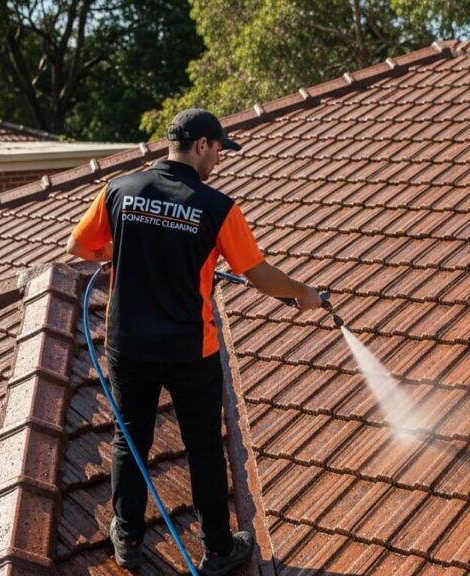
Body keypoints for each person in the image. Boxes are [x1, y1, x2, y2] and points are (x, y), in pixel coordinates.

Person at [67, 108, 321, 574]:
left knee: (130, 441)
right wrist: (303, 294)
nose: (219, 161)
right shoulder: (218, 208)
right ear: (202, 145)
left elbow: (79, 248)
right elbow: (258, 274)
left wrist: (116, 252)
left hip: (129, 344)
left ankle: (126, 537)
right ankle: (219, 550)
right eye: (219, 150)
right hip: (189, 348)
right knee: (203, 446)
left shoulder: (120, 190)